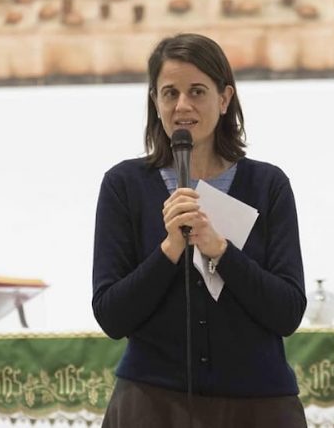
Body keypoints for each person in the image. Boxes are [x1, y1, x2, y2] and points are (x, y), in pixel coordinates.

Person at [92, 33, 307, 428]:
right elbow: (112, 317)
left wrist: (221, 251)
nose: (182, 106)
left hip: (258, 403)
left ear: (224, 99)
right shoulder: (124, 185)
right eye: (170, 93)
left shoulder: (268, 185)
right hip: (152, 401)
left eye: (197, 91)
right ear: (155, 102)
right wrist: (170, 249)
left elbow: (288, 312)